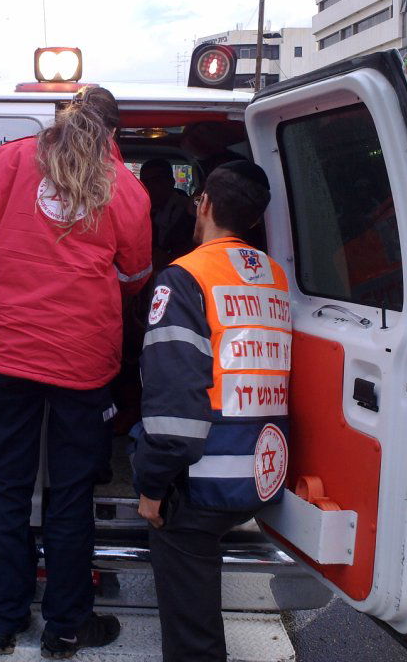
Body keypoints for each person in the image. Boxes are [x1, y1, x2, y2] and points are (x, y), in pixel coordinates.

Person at [0, 85, 152, 658]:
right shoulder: (126, 189)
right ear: (115, 135)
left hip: (8, 352)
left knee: (7, 491)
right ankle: (67, 627)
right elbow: (137, 273)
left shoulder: (13, 159)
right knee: (69, 496)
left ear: (62, 118)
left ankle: (3, 623)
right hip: (81, 362)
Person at [131, 160, 291, 662]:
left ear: (205, 205)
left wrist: (153, 487)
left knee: (192, 637)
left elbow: (175, 408)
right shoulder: (275, 275)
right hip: (262, 473)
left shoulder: (184, 278)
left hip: (203, 482)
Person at [138, 158, 195, 267]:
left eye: (156, 181)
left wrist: (168, 258)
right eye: (145, 182)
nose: (150, 187)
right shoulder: (136, 210)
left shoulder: (187, 213)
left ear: (171, 182)